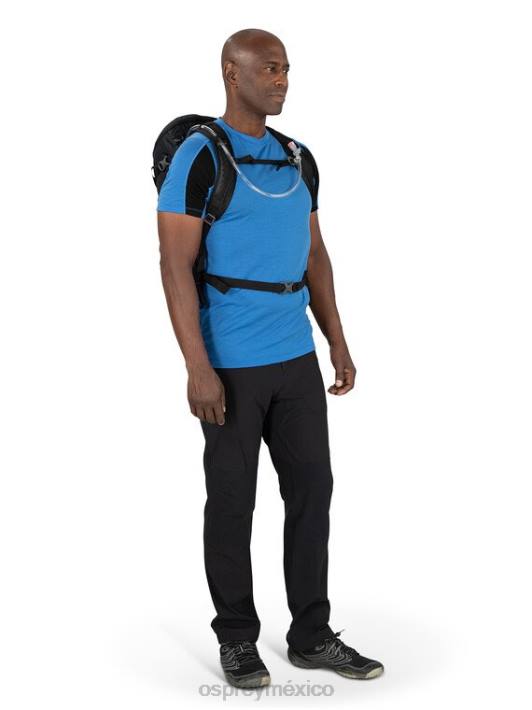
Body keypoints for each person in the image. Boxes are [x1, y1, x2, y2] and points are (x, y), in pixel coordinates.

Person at [156, 28, 384, 688]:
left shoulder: (297, 158)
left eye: (286, 69)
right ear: (233, 73)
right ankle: (236, 639)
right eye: (270, 69)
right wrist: (197, 367)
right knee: (233, 502)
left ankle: (311, 634)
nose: (282, 80)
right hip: (231, 362)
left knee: (312, 492)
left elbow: (314, 254)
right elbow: (174, 265)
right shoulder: (200, 156)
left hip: (295, 358)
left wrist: (336, 339)